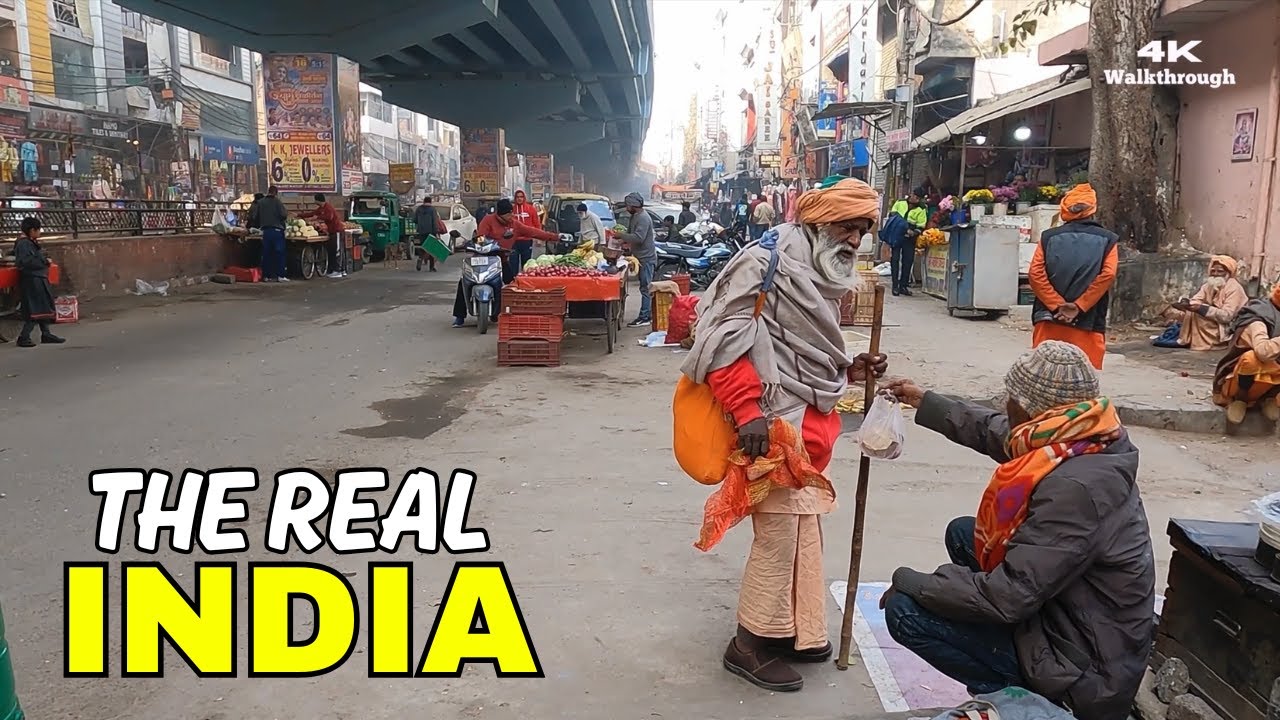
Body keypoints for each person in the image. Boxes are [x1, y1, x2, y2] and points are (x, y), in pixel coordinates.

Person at [683, 178, 888, 693]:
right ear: (818, 222)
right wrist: (747, 410)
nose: (854, 239)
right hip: (769, 426)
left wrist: (849, 366)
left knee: (804, 531)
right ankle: (748, 644)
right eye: (847, 226)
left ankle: (796, 630)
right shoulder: (765, 260)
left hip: (810, 426)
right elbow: (724, 340)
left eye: (863, 230)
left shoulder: (816, 268)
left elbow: (803, 350)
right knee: (778, 536)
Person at [882, 340, 1153, 720]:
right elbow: (1000, 432)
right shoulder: (1087, 436)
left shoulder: (1075, 488)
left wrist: (915, 582)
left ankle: (1026, 700)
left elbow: (1008, 597)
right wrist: (927, 402)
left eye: (1009, 400)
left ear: (1028, 409)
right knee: (964, 533)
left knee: (905, 611)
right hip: (1077, 622)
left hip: (1085, 675)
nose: (1004, 408)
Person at [1028, 183, 1117, 369]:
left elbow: (1036, 274)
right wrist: (1079, 306)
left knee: (1044, 371)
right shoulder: (1108, 239)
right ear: (1092, 209)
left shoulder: (1048, 237)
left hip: (1049, 318)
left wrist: (1056, 304)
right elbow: (1107, 275)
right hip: (1088, 320)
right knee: (1083, 374)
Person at [1212, 283, 1280, 423]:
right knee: (1251, 359)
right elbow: (1263, 352)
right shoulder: (1258, 318)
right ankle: (1240, 400)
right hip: (1237, 380)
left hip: (1270, 378)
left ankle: (1269, 398)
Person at [1164, 255, 1246, 351]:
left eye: (1220, 271)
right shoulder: (1208, 286)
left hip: (1227, 327)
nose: (1215, 274)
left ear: (1228, 272)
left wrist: (1202, 308)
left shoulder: (1234, 288)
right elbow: (1197, 299)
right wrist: (1187, 304)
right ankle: (1187, 340)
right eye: (1213, 271)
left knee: (1197, 314)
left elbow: (1227, 316)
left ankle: (1207, 344)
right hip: (1213, 320)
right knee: (1190, 312)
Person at [475, 198, 558, 285]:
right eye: (509, 213)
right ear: (501, 214)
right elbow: (480, 238)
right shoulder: (488, 220)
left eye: (512, 212)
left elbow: (533, 232)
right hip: (486, 261)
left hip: (502, 261)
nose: (512, 215)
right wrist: (483, 244)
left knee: (511, 285)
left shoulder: (514, 224)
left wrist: (556, 237)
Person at [11, 217, 65, 348]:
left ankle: (46, 334)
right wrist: (45, 262)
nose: (39, 233)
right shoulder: (24, 244)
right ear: (31, 230)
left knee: (42, 307)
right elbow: (25, 262)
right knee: (34, 309)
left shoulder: (29, 242)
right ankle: (24, 337)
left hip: (38, 278)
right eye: (38, 230)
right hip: (32, 280)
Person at [615, 192, 657, 328]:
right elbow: (632, 235)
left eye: (628, 205)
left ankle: (645, 316)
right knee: (644, 287)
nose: (627, 208)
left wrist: (621, 235)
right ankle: (647, 314)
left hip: (646, 258)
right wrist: (623, 242)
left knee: (646, 288)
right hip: (639, 256)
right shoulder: (634, 217)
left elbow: (638, 237)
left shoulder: (643, 218)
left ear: (634, 205)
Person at [299, 193, 346, 278]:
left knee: (337, 251)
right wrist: (299, 215)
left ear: (318, 200)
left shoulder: (328, 208)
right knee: (333, 251)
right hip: (331, 232)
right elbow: (312, 214)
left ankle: (338, 271)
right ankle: (339, 270)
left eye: (315, 200)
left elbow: (329, 217)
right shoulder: (321, 209)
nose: (314, 202)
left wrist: (317, 217)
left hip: (337, 231)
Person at [250, 186, 290, 282]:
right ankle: (280, 275)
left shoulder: (260, 202)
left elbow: (255, 217)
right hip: (277, 230)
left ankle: (266, 276)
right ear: (276, 193)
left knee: (266, 253)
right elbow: (283, 215)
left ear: (268, 192)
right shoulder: (277, 202)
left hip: (265, 231)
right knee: (279, 253)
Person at [413, 196, 448, 272]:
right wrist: (436, 232)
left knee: (423, 246)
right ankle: (431, 267)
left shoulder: (419, 209)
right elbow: (434, 222)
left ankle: (420, 258)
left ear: (424, 201)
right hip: (431, 231)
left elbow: (414, 220)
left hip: (421, 231)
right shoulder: (432, 210)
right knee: (431, 249)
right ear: (430, 202)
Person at [510, 190, 541, 272]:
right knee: (513, 264)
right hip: (513, 241)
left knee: (526, 264)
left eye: (521, 197)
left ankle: (525, 281)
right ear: (515, 198)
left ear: (524, 198)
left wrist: (538, 238)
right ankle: (514, 281)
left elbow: (536, 224)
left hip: (527, 241)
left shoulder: (531, 209)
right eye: (517, 197)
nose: (519, 199)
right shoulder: (511, 210)